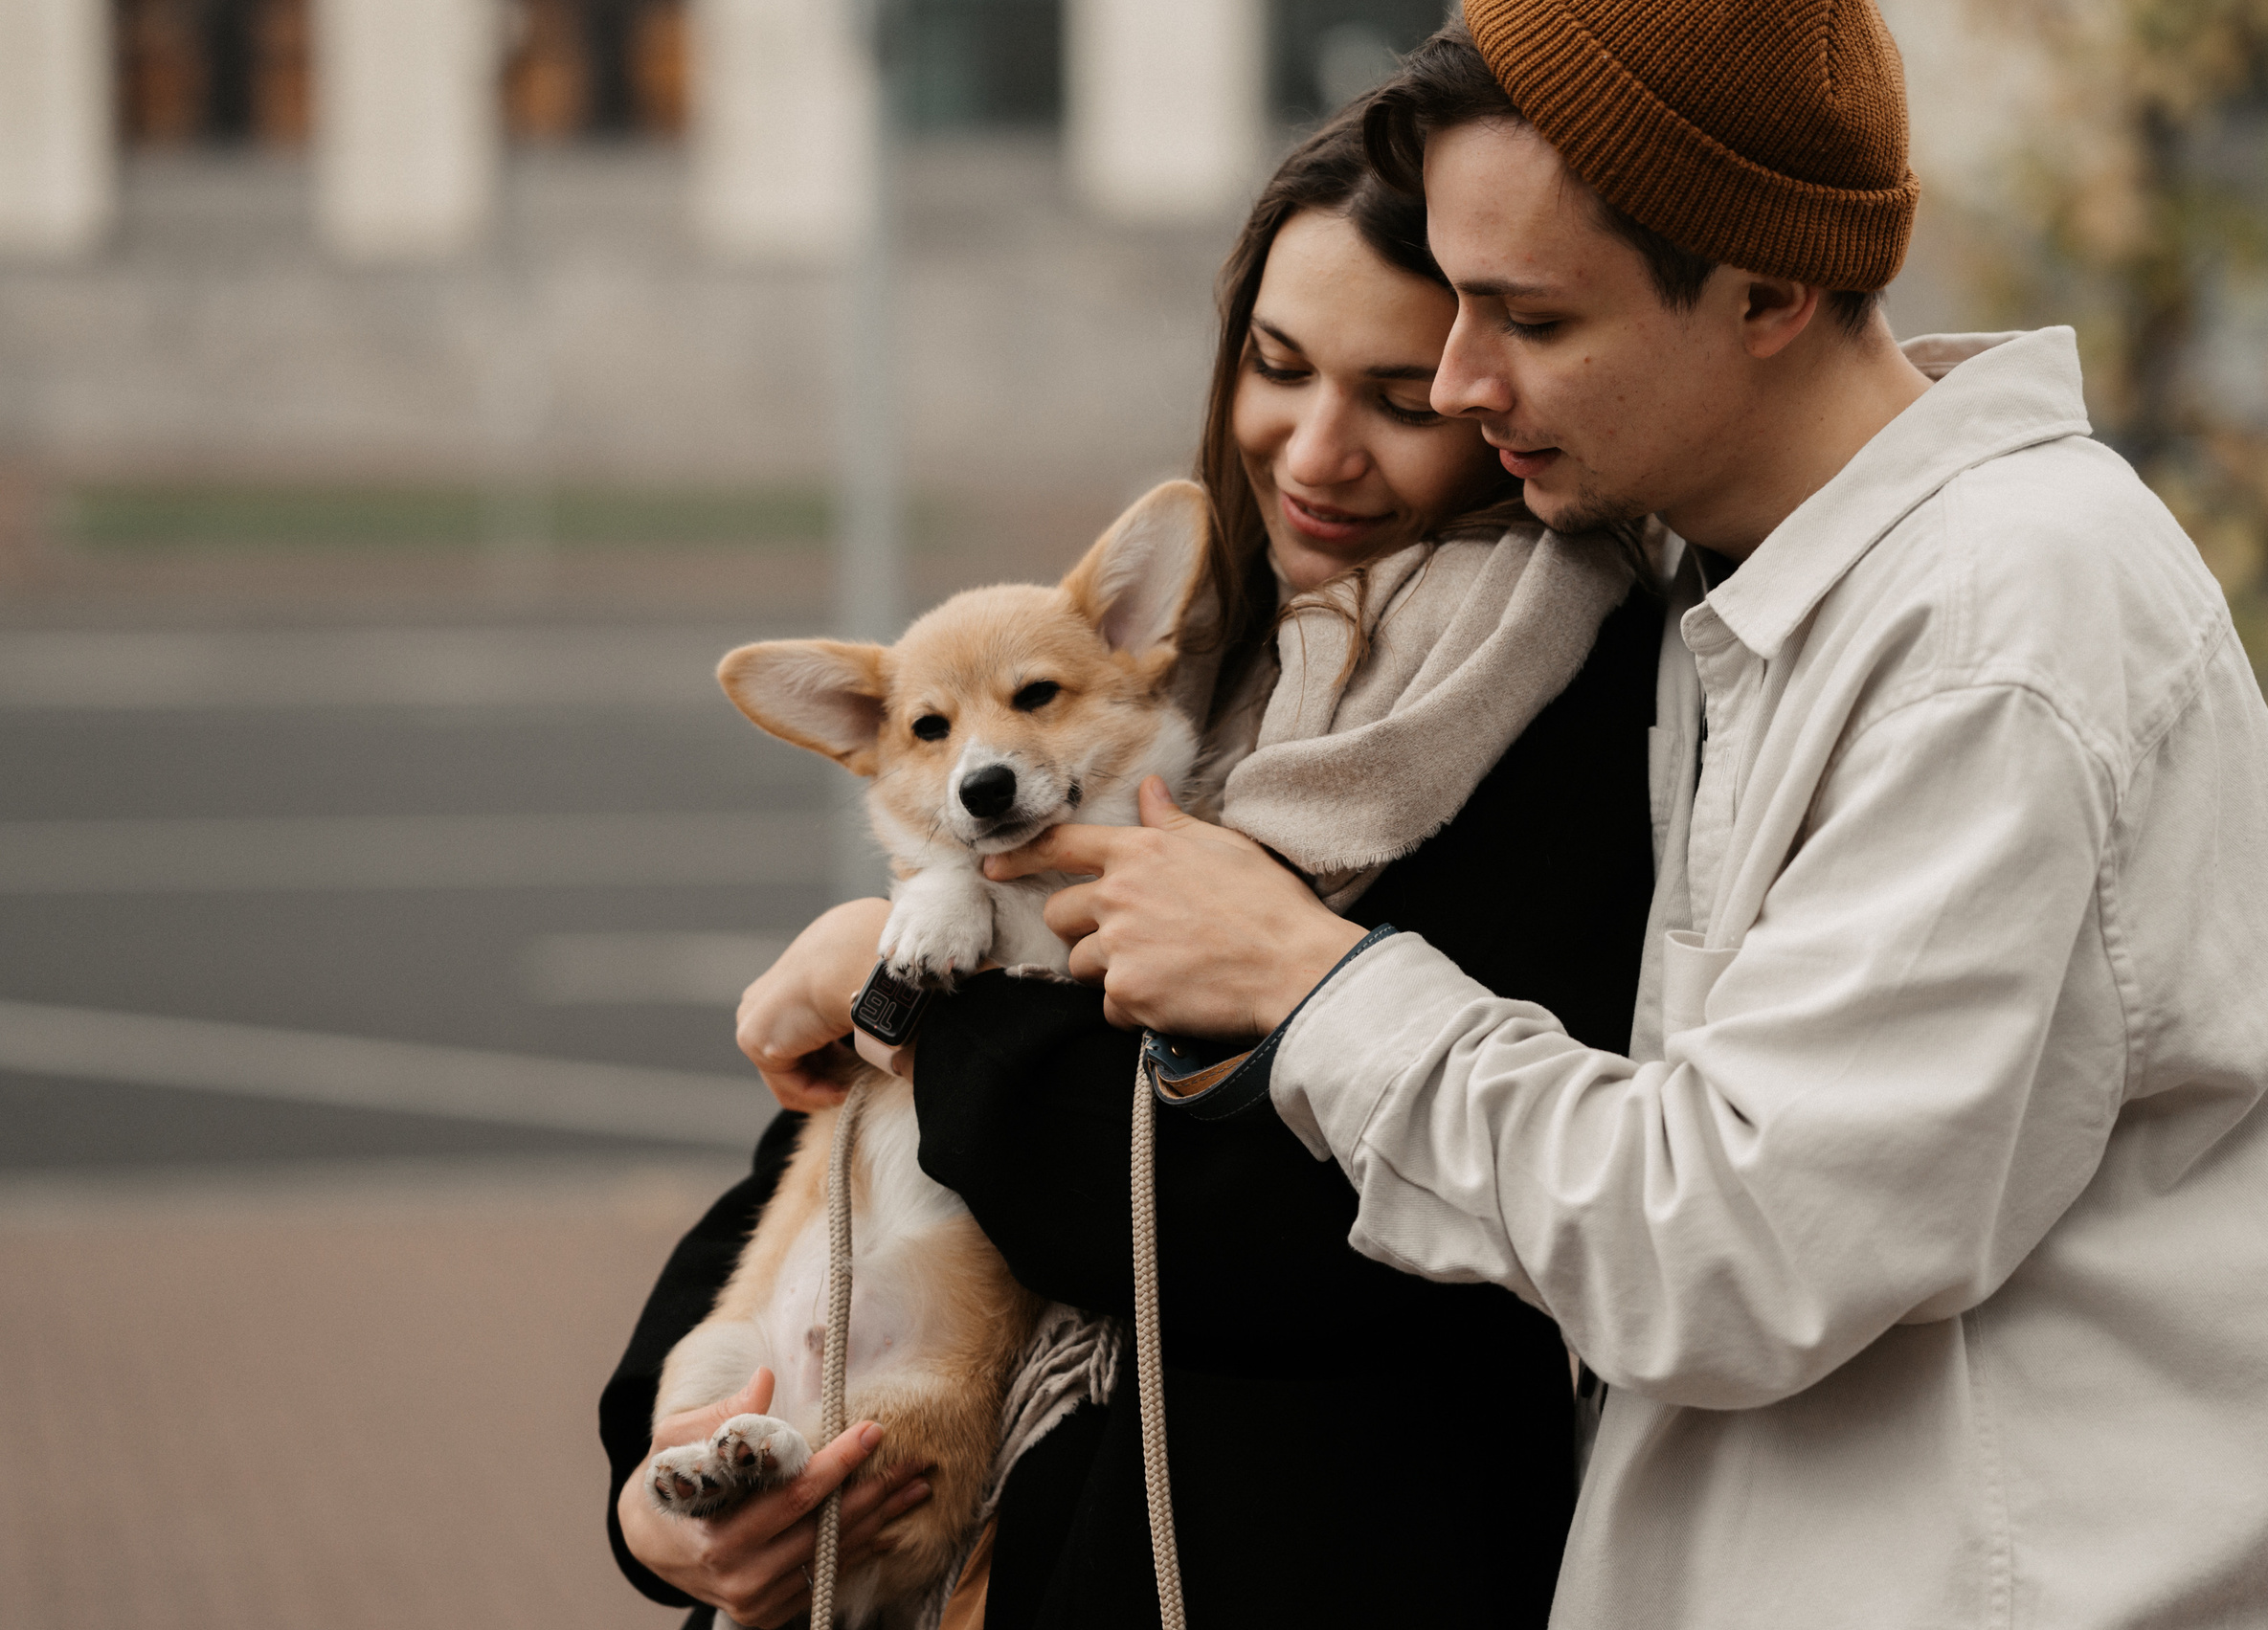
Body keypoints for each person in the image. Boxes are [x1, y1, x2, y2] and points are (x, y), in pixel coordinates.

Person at [990, 4, 2268, 1626]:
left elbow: (1738, 1247)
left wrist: (1313, 984)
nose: (1460, 377)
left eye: (1528, 316)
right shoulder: (1739, 593)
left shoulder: (1999, 625)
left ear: (1771, 292)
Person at [600, 103, 1668, 1629]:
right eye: (1279, 366)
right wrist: (660, 1486)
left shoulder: (1560, 705)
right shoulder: (1173, 660)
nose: (1315, 450)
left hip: (1303, 1562)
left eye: (1398, 398)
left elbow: (1288, 1232)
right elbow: (846, 1153)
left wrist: (910, 991)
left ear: (1497, 399)